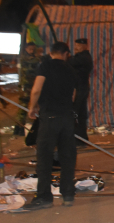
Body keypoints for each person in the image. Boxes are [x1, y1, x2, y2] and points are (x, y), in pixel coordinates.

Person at [22, 42, 78, 211]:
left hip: (50, 117)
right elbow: (74, 94)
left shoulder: (45, 65)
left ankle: (44, 196)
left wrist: (33, 107)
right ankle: (68, 194)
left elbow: (37, 89)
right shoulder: (70, 69)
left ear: (50, 52)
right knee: (67, 157)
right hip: (67, 117)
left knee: (44, 157)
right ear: (66, 54)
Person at [69, 38, 93, 143]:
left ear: (84, 46)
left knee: (75, 112)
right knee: (81, 113)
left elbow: (71, 62)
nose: (76, 48)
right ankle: (81, 137)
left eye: (78, 45)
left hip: (79, 88)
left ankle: (76, 137)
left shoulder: (84, 57)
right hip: (81, 87)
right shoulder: (81, 57)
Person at [15, 42, 41, 136]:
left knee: (35, 105)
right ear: (26, 48)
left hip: (32, 85)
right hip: (26, 85)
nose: (32, 50)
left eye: (33, 48)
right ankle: (19, 128)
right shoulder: (24, 58)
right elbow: (32, 62)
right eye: (30, 48)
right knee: (23, 107)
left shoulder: (34, 57)